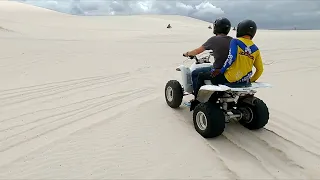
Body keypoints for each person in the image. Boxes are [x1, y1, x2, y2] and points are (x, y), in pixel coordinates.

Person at [191, 19, 264, 109]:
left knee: (201, 76)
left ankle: (198, 101)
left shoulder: (236, 41)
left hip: (230, 78)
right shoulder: (255, 49)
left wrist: (221, 70)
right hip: (245, 80)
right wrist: (251, 80)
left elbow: (231, 58)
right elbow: (260, 69)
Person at [183, 17, 232, 93]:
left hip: (217, 70)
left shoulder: (214, 39)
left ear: (216, 27)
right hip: (230, 71)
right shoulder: (232, 40)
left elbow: (197, 51)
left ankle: (197, 98)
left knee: (195, 73)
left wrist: (187, 53)